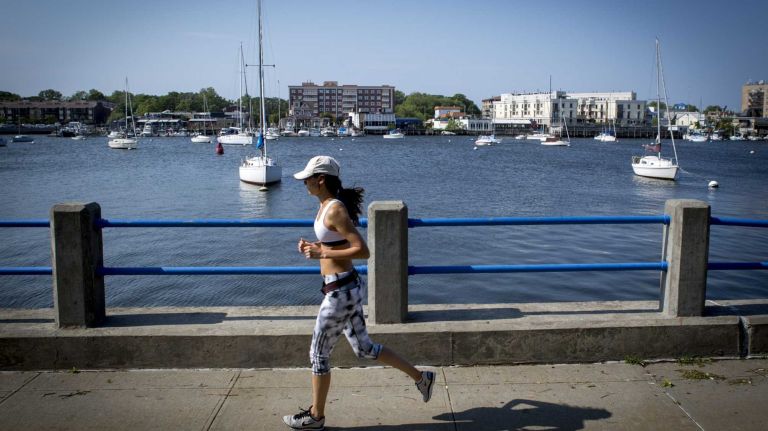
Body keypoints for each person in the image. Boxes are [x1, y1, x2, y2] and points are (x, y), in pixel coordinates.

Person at [282, 155, 434, 430]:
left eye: (308, 178)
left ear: (321, 179)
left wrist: (321, 251)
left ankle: (316, 417)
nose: (303, 182)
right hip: (346, 287)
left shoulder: (335, 209)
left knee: (318, 356)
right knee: (365, 350)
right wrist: (315, 246)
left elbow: (363, 250)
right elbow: (336, 240)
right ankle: (421, 378)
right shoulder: (326, 206)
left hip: (340, 292)